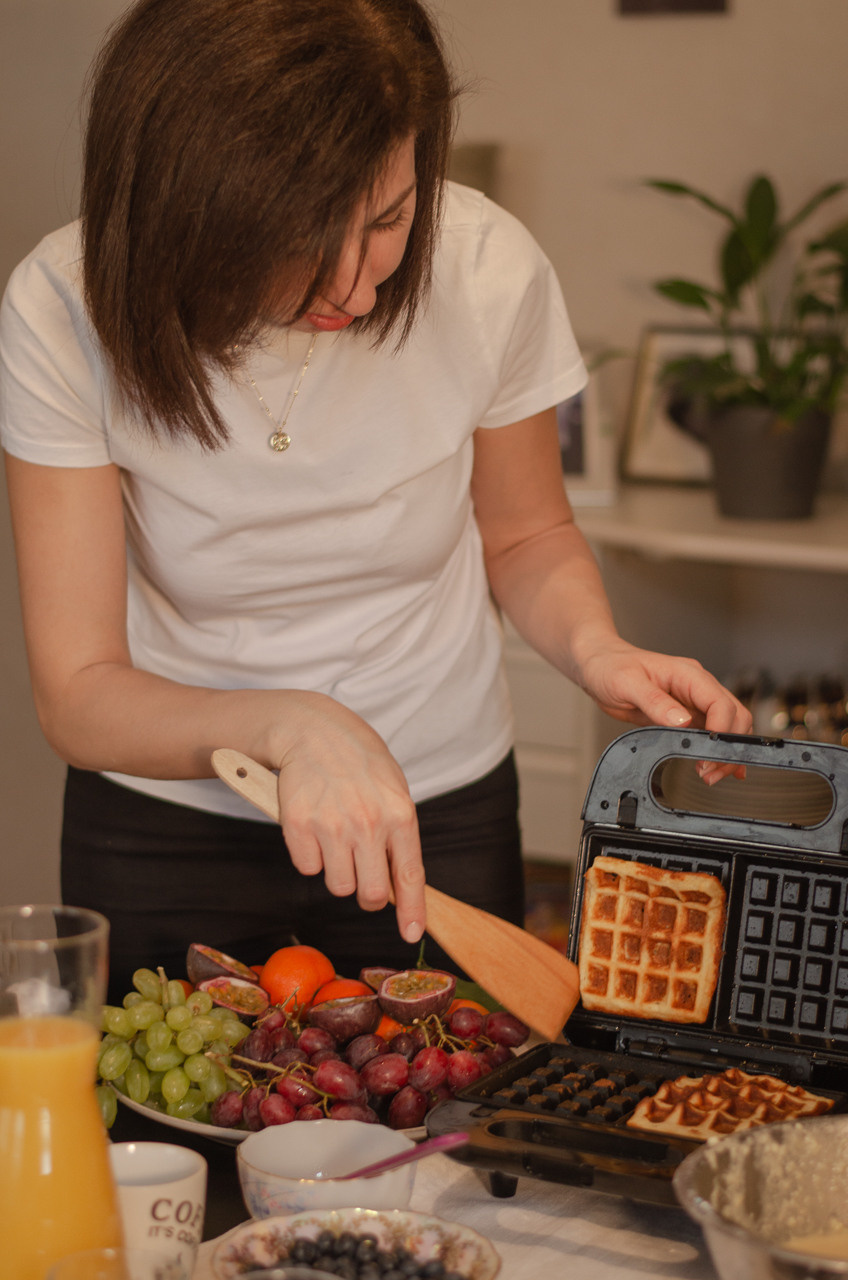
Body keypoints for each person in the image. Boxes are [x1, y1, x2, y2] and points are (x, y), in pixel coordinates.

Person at [0, 0, 750, 1002]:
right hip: (165, 821)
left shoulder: (486, 269)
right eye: (303, 233)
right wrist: (296, 725)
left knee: (437, 1142)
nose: (355, 282)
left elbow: (526, 533)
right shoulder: (64, 306)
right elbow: (79, 686)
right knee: (172, 1153)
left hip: (432, 806)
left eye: (390, 217)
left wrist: (596, 649)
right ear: (191, 202)